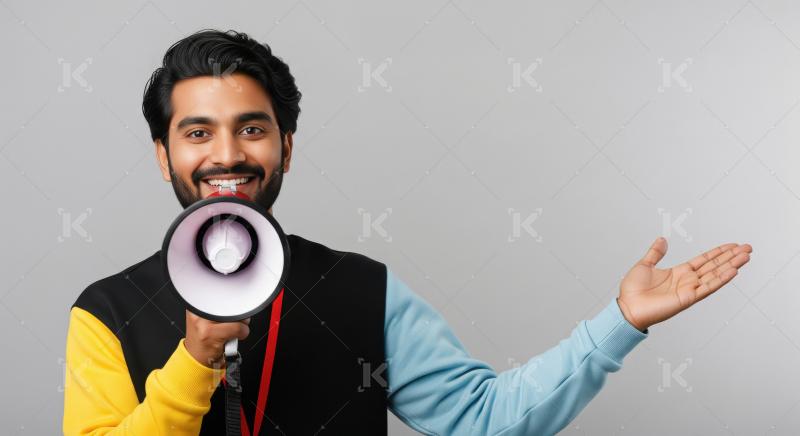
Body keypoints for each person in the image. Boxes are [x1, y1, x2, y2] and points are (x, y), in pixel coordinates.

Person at [62, 29, 753, 435]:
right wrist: (196, 361)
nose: (227, 155)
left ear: (286, 148)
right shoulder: (106, 311)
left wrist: (620, 323)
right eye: (196, 133)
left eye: (251, 128)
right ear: (164, 157)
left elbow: (485, 418)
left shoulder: (364, 289)